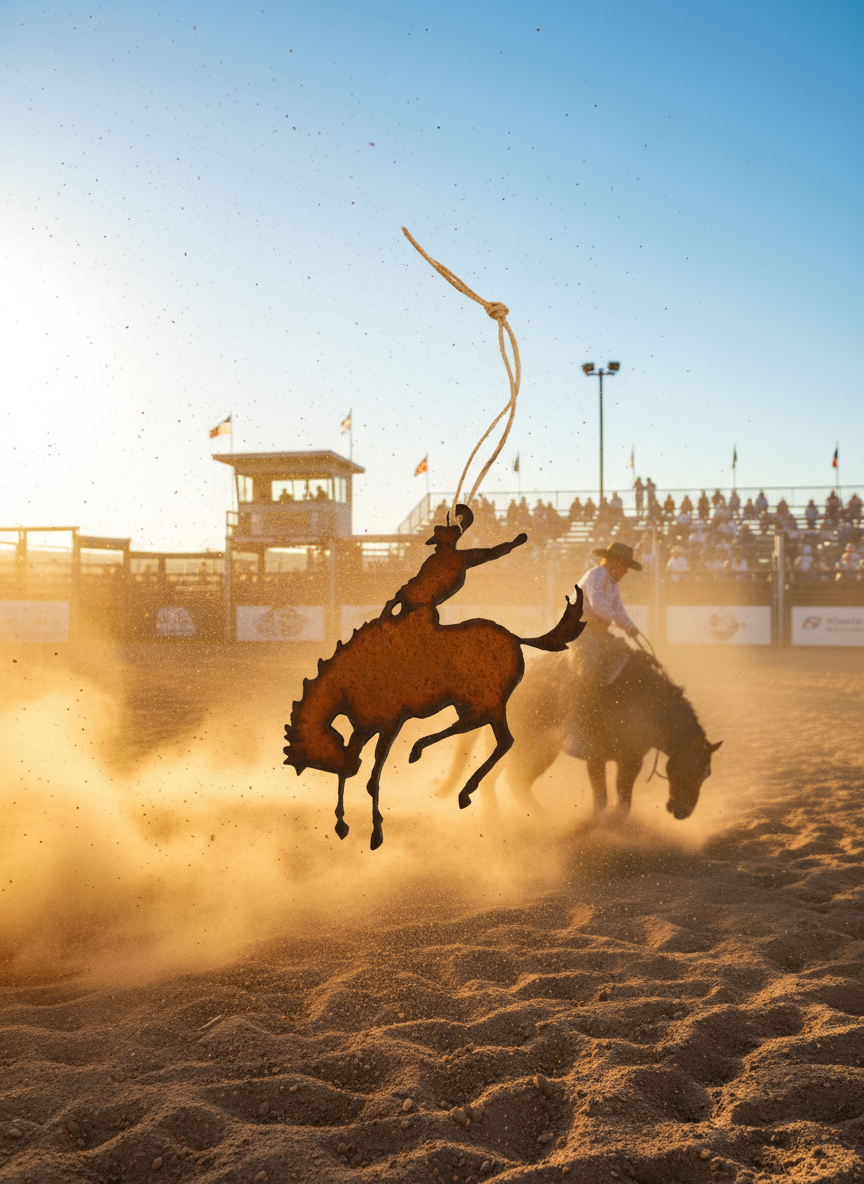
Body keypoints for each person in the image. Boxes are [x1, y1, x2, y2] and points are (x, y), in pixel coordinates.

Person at [385, 504, 526, 624]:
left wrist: (513, 544)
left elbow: (491, 553)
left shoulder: (456, 559)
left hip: (420, 608)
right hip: (419, 608)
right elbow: (416, 584)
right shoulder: (450, 560)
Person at [573, 542, 642, 685]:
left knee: (621, 652)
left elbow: (619, 611)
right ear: (616, 563)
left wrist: (629, 626)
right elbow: (597, 602)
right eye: (625, 567)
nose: (626, 571)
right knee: (590, 663)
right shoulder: (598, 573)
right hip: (578, 629)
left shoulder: (613, 586)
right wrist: (618, 620)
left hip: (594, 629)